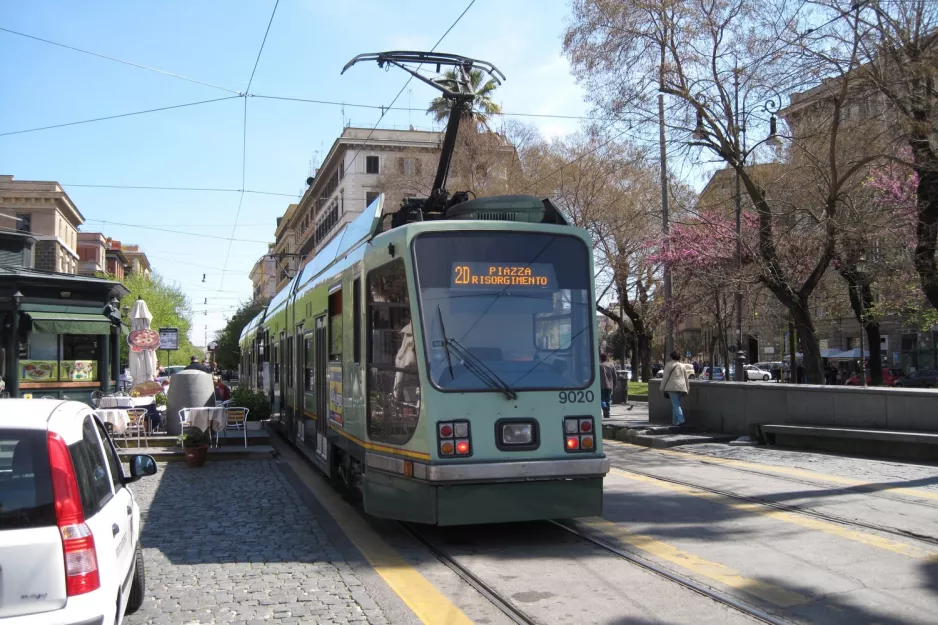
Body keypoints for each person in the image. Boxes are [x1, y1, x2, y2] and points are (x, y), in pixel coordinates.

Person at [660, 350, 689, 426]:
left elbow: (665, 377)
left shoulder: (668, 365)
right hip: (681, 387)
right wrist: (687, 388)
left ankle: (681, 419)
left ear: (671, 357)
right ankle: (675, 422)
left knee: (676, 404)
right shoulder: (682, 366)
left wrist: (662, 388)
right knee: (676, 404)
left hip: (672, 387)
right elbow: (686, 378)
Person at [599, 353, 616, 419]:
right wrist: (614, 384)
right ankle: (607, 414)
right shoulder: (611, 365)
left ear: (600, 358)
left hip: (601, 385)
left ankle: (603, 406)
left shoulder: (599, 366)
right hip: (609, 385)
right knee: (608, 399)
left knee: (601, 398)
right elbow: (615, 376)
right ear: (606, 358)